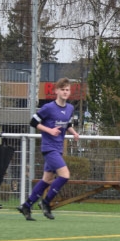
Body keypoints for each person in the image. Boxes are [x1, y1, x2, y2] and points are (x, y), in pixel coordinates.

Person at [18, 78, 80, 221]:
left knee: (47, 179)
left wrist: (74, 133)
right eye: (62, 89)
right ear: (56, 91)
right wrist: (49, 130)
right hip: (49, 148)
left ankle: (26, 206)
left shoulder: (70, 108)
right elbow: (33, 122)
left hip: (58, 148)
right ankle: (46, 202)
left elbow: (67, 123)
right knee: (65, 175)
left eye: (67, 90)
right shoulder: (48, 107)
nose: (65, 92)